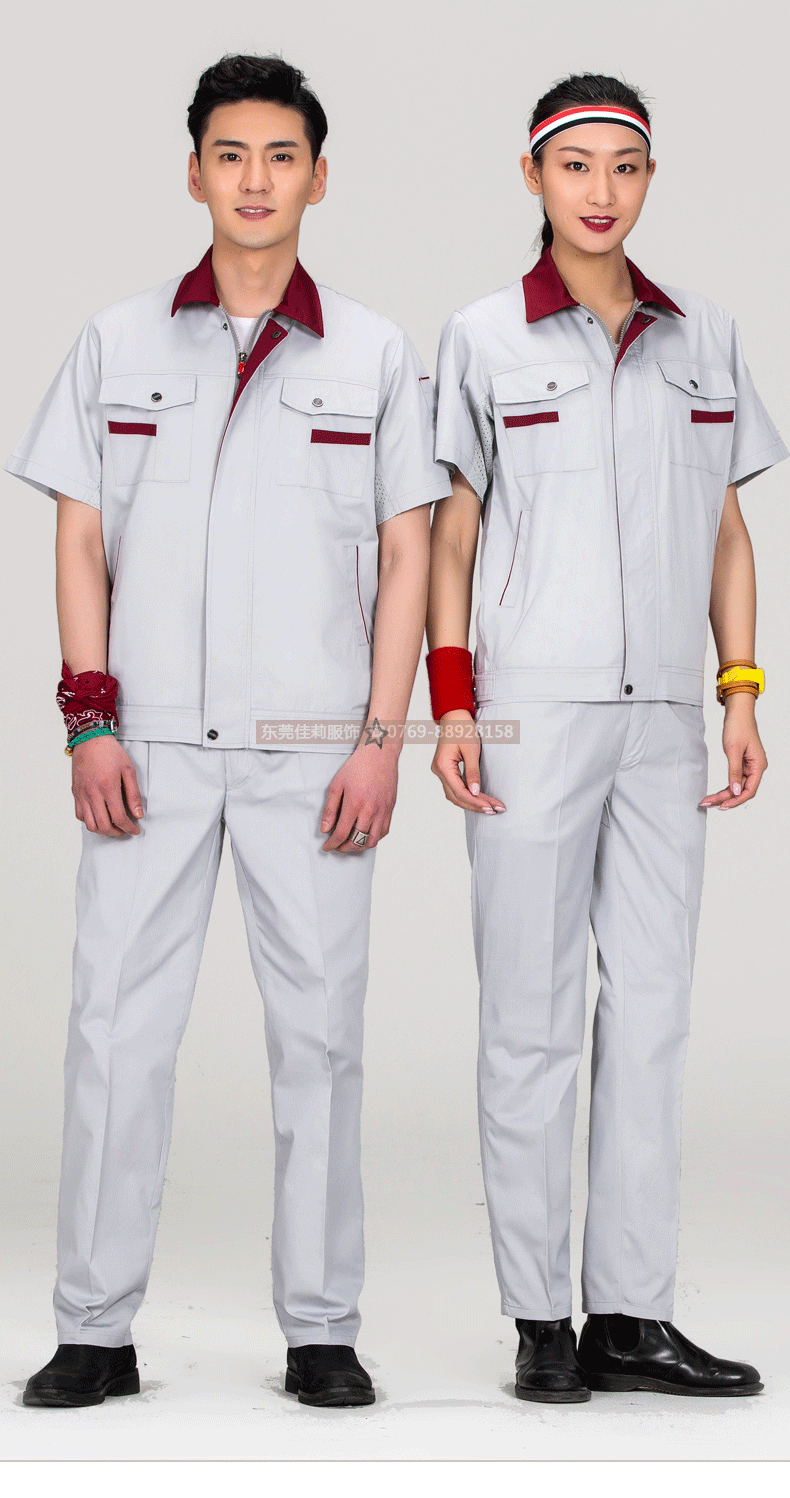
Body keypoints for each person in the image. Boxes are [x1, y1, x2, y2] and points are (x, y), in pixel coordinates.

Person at [6, 52, 451, 1410]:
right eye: (230, 153)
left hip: (313, 752)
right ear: (194, 171)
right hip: (145, 747)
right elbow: (79, 536)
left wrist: (380, 739)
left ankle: (320, 1328)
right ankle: (94, 1327)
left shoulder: (374, 354)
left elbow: (408, 553)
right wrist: (88, 720)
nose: (255, 178)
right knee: (113, 1033)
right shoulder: (117, 342)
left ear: (318, 177)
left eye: (280, 155)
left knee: (321, 1039)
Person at [426, 73, 785, 1403]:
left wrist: (739, 691)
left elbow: (728, 530)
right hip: (533, 709)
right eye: (574, 165)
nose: (599, 190)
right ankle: (540, 1317)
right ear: (532, 178)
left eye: (623, 166)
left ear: (648, 180)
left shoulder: (705, 337)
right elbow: (451, 536)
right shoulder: (483, 337)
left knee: (650, 1016)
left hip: (664, 721)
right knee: (528, 1015)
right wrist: (452, 701)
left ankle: (630, 1315)